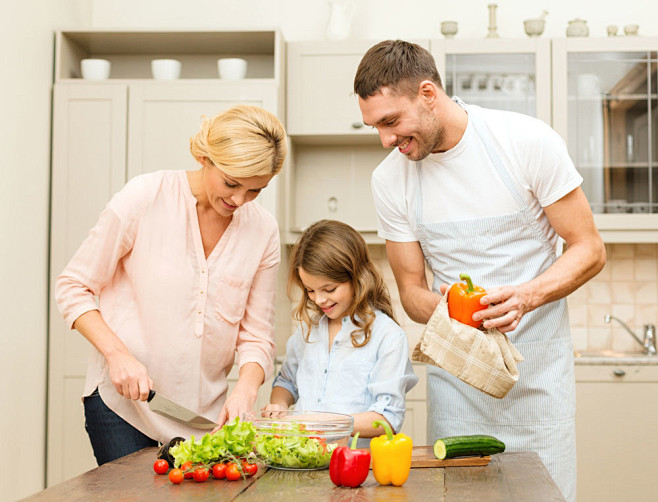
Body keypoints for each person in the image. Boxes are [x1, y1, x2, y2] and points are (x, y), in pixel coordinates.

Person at [353, 40, 606, 501]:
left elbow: (589, 248)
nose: (386, 140)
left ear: (428, 93)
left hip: (538, 384)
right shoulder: (390, 180)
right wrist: (458, 309)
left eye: (391, 121)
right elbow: (411, 291)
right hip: (458, 392)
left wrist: (526, 297)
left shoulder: (525, 141)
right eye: (375, 126)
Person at [55, 104, 288, 465]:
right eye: (231, 183)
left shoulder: (263, 230)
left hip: (203, 420)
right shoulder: (144, 197)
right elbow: (73, 286)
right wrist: (117, 355)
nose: (239, 201)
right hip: (124, 407)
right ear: (203, 156)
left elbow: (256, 336)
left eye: (255, 190)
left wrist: (245, 390)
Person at [266, 219, 418, 442]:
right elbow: (286, 382)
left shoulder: (387, 336)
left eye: (329, 289)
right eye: (310, 290)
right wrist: (279, 404)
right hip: (303, 459)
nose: (319, 299)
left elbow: (387, 418)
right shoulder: (308, 331)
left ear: (357, 278)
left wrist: (321, 422)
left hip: (356, 467)